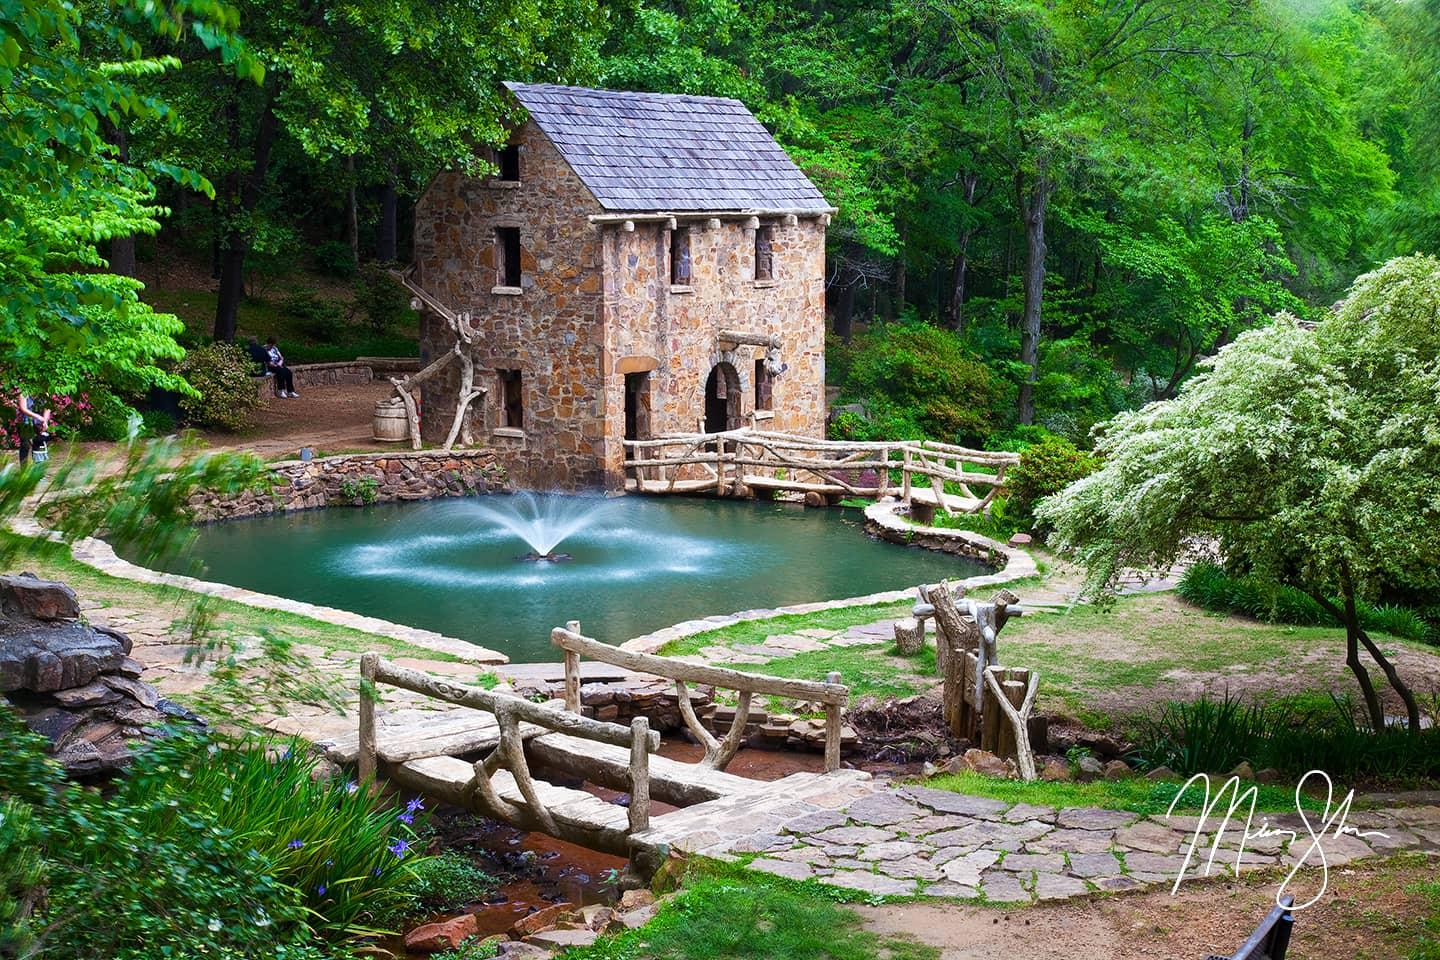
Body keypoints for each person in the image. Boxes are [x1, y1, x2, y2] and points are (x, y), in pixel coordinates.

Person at [8, 393, 51, 463]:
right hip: (26, 423)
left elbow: (48, 408)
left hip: (39, 423)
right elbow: (23, 409)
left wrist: (45, 421)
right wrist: (38, 417)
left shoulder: (45, 393)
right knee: (25, 445)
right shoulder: (24, 393)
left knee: (39, 445)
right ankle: (23, 470)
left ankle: (38, 469)